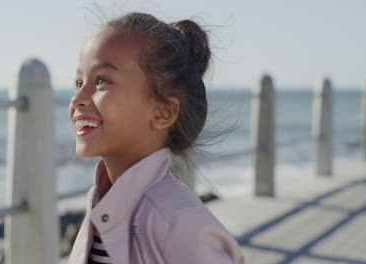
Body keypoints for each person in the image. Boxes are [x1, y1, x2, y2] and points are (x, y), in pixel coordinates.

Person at [68, 12, 244, 264]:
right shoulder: (105, 204)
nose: (77, 99)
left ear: (162, 112)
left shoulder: (175, 219)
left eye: (101, 81)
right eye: (78, 82)